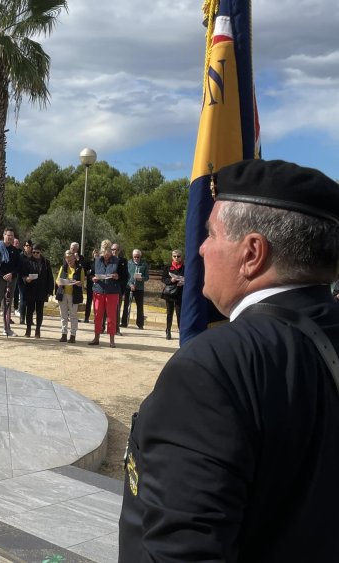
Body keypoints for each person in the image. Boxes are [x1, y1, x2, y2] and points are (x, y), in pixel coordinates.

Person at [118, 159, 339, 562]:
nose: (200, 248)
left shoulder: (210, 368)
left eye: (210, 234)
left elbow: (181, 552)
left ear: (252, 253)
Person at [0, 227, 20, 337]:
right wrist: (3, 275)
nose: (10, 237)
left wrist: (11, 274)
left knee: (7, 304)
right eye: (8, 235)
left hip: (11, 279)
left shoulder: (15, 251)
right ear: (4, 235)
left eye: (12, 235)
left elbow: (18, 266)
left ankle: (7, 328)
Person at [89, 239, 120, 347]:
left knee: (111, 316)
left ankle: (112, 340)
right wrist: (93, 278)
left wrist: (117, 277)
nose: (105, 257)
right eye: (104, 254)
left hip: (112, 292)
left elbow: (125, 276)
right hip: (98, 290)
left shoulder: (117, 261)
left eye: (107, 255)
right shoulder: (97, 260)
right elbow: (91, 273)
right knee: (97, 315)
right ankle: (96, 338)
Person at [22, 243, 52, 338]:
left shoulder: (46, 262)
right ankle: (28, 330)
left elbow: (50, 277)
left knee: (40, 311)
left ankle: (38, 330)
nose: (35, 254)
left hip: (41, 290)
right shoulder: (27, 261)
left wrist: (49, 291)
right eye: (33, 252)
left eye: (37, 252)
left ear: (41, 252)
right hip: (30, 289)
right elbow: (23, 274)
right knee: (29, 311)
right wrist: (26, 278)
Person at [55, 249, 84, 343]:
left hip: (73, 295)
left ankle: (73, 335)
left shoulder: (80, 269)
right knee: (63, 316)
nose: (69, 261)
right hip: (62, 294)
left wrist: (79, 283)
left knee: (73, 316)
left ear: (74, 258)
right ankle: (63, 334)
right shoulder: (63, 267)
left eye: (70, 259)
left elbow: (82, 282)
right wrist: (59, 283)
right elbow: (57, 280)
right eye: (67, 259)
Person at [122, 249, 149, 329]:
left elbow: (147, 277)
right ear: (132, 256)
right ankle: (124, 322)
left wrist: (142, 278)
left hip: (139, 288)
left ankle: (140, 324)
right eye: (135, 257)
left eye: (138, 257)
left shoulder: (144, 264)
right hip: (129, 287)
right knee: (126, 305)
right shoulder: (128, 263)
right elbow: (125, 276)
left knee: (140, 307)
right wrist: (130, 284)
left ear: (140, 256)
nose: (136, 258)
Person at [161, 249, 184, 340]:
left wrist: (183, 282)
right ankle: (168, 331)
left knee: (179, 314)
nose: (176, 258)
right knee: (169, 313)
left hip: (179, 293)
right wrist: (171, 280)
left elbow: (188, 279)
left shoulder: (184, 267)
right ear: (172, 257)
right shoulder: (167, 267)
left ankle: (181, 331)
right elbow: (163, 279)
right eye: (174, 256)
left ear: (181, 257)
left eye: (178, 256)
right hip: (170, 293)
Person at [111, 243, 129, 335]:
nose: (114, 251)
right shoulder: (108, 259)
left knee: (117, 309)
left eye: (116, 250)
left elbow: (126, 276)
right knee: (106, 310)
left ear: (119, 251)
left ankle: (116, 329)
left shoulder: (123, 261)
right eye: (112, 249)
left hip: (118, 289)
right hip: (108, 288)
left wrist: (119, 279)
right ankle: (102, 328)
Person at [82, 249, 98, 323]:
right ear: (93, 254)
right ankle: (86, 317)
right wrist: (89, 273)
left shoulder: (101, 262)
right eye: (95, 253)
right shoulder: (89, 262)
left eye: (97, 253)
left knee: (97, 302)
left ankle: (96, 318)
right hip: (90, 284)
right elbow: (85, 272)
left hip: (99, 285)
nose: (96, 254)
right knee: (89, 301)